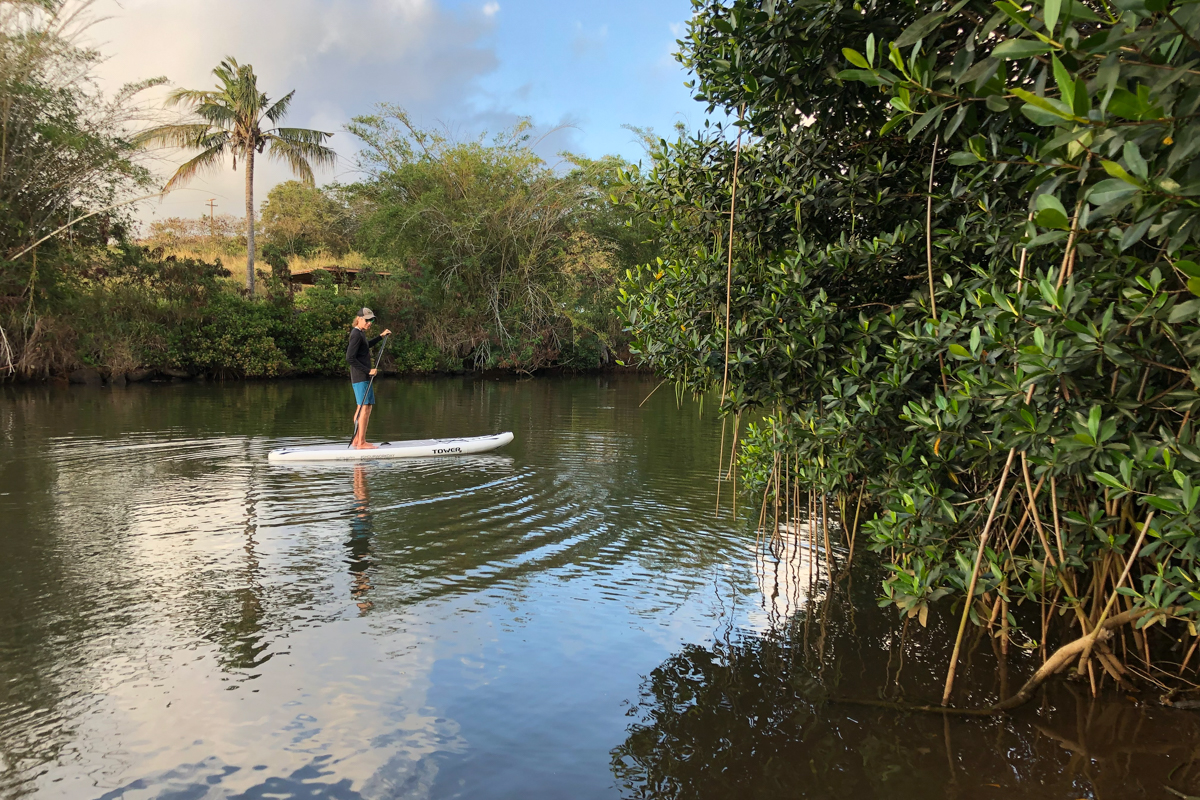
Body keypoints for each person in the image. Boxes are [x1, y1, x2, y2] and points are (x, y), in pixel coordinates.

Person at [346, 308, 391, 449]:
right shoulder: (355, 334)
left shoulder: (360, 333)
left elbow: (365, 347)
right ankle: (361, 443)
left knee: (364, 407)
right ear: (359, 318)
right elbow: (350, 358)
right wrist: (368, 370)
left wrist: (380, 336)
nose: (369, 323)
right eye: (367, 320)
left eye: (371, 320)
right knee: (364, 408)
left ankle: (357, 440)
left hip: (363, 377)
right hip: (361, 377)